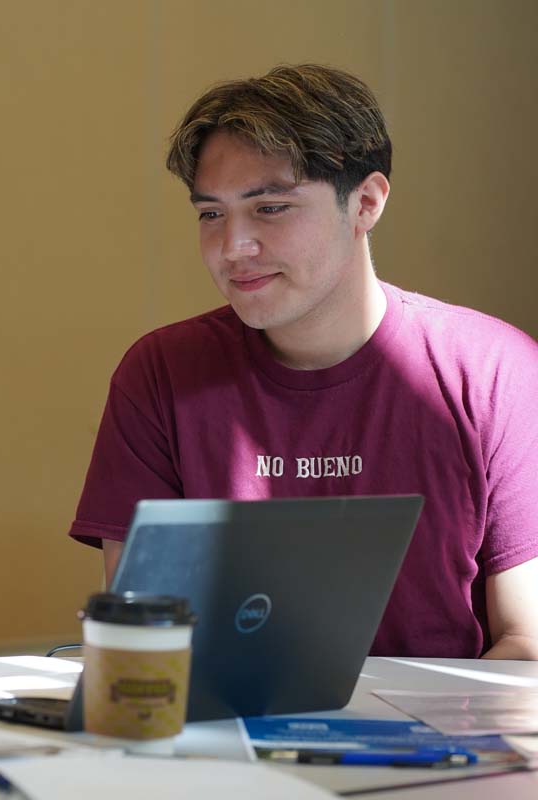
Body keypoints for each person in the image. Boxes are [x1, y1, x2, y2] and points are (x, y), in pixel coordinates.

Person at [67, 64, 538, 661]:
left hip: (446, 743)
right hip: (231, 739)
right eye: (211, 214)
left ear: (365, 202)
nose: (232, 247)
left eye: (270, 208)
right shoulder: (160, 373)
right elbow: (144, 638)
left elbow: (527, 642)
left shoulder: (497, 371)